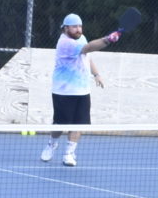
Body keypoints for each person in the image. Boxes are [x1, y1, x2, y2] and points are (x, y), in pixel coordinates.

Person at [40, 11, 113, 166]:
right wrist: (107, 40)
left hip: (82, 90)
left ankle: (69, 153)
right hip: (63, 91)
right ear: (65, 29)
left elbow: (87, 56)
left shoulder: (80, 38)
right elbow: (90, 47)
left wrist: (96, 74)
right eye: (74, 27)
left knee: (79, 124)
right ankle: (52, 144)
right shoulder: (65, 43)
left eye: (80, 26)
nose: (79, 29)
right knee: (60, 124)